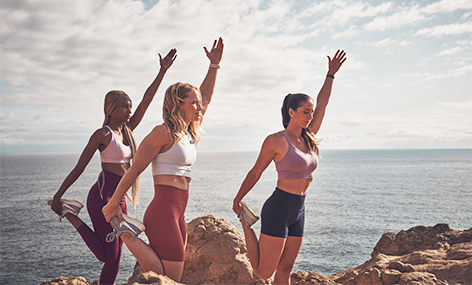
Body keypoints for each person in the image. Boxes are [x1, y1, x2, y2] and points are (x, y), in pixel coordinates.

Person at [48, 48, 177, 285]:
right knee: (108, 254)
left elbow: (147, 100)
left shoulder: (126, 132)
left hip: (119, 198)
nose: (129, 111)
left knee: (115, 259)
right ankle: (70, 214)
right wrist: (58, 197)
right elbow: (79, 167)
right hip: (102, 198)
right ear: (111, 108)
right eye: (125, 107)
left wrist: (162, 71)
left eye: (130, 107)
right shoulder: (102, 135)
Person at [102, 37, 224, 282]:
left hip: (179, 212)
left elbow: (207, 97)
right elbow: (135, 168)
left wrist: (214, 66)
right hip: (163, 212)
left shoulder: (188, 131)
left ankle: (126, 231)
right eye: (193, 103)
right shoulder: (163, 132)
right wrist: (114, 202)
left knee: (169, 277)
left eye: (199, 104)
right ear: (178, 104)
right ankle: (125, 233)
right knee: (173, 278)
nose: (199, 108)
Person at [233, 50, 347, 284]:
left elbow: (324, 102)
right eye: (305, 112)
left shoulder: (308, 138)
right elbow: (256, 172)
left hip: (299, 209)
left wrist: (330, 75)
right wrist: (238, 199)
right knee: (263, 272)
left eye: (311, 113)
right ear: (291, 112)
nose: (309, 116)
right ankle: (246, 223)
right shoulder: (275, 140)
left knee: (285, 271)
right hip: (279, 207)